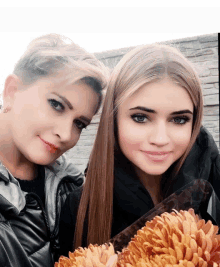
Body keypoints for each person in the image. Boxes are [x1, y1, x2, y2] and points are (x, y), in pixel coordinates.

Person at [59, 43, 220, 256]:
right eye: (140, 118)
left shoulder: (214, 184)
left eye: (179, 119)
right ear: (113, 120)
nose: (160, 139)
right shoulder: (80, 208)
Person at [0, 33, 107, 267]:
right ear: (11, 91)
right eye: (56, 105)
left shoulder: (75, 187)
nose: (66, 134)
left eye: (80, 123)